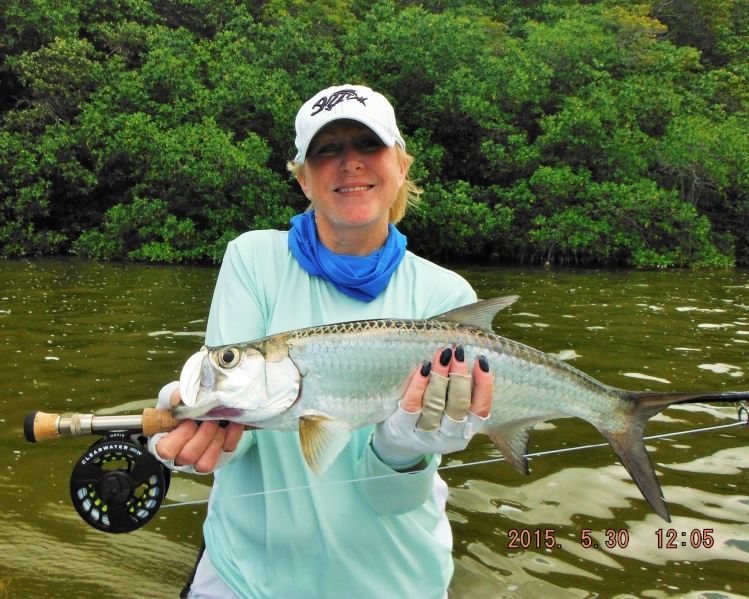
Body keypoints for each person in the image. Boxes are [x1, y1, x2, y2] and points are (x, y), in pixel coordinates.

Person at [148, 84, 494, 599]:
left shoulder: (447, 294)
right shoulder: (252, 259)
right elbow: (235, 432)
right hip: (245, 578)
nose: (349, 163)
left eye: (368, 146)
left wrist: (403, 451)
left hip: (398, 582)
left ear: (401, 166)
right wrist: (190, 420)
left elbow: (393, 499)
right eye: (326, 149)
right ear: (303, 178)